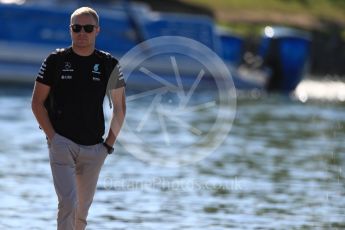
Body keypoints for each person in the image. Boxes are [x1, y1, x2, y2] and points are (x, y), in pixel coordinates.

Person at [31, 6, 126, 230]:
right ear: (70, 30)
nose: (82, 33)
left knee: (81, 213)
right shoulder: (55, 60)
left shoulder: (109, 64)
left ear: (97, 31)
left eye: (88, 28)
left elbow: (120, 108)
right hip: (62, 143)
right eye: (76, 28)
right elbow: (37, 103)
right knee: (68, 203)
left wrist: (107, 147)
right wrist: (53, 138)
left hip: (95, 148)